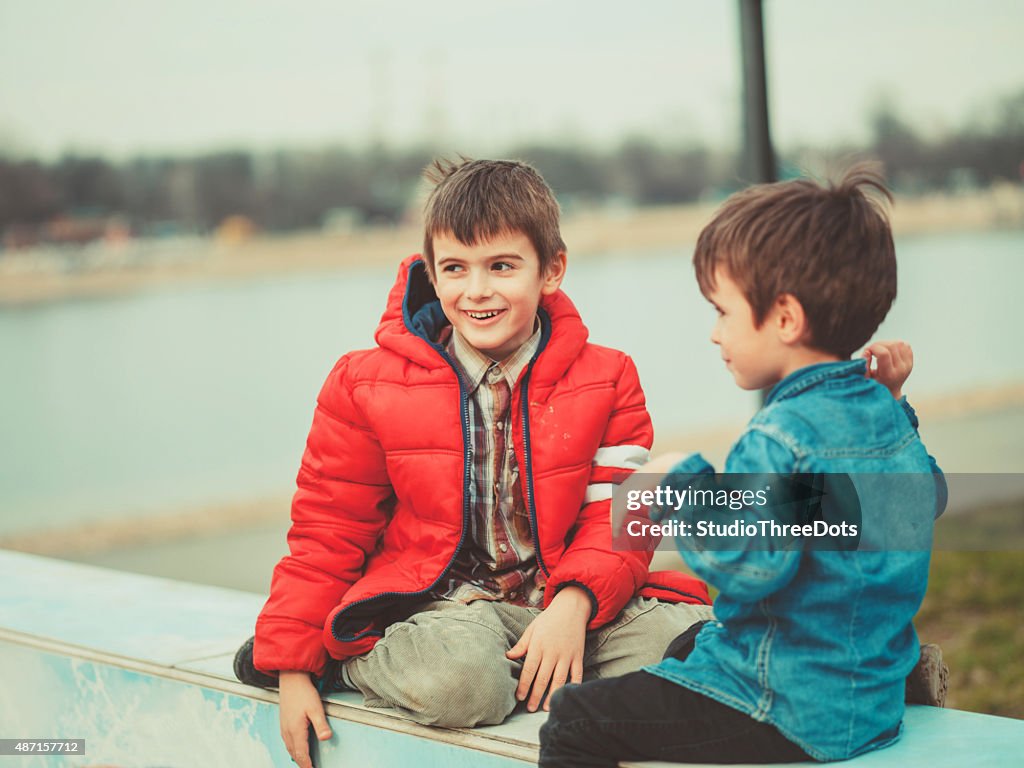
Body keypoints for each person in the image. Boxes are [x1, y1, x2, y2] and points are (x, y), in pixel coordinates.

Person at [233, 158, 713, 768]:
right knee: (463, 685)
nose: (476, 291)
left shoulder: (608, 376)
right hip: (445, 612)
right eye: (455, 269)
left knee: (697, 649)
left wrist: (573, 606)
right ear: (430, 274)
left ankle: (549, 664)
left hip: (566, 600)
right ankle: (346, 658)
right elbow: (328, 528)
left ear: (551, 270)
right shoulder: (364, 383)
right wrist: (294, 666)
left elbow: (617, 519)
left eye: (502, 266)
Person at [540, 165, 947, 766]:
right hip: (868, 702)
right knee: (689, 641)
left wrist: (681, 483)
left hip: (782, 707)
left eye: (724, 312)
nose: (713, 334)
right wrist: (892, 401)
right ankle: (899, 677)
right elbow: (927, 497)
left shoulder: (782, 437)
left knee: (574, 720)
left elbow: (747, 563)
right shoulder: (883, 416)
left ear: (784, 319)